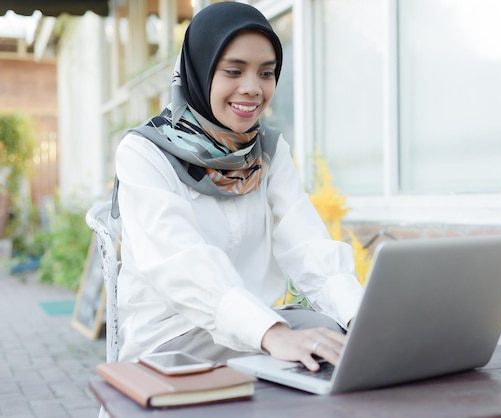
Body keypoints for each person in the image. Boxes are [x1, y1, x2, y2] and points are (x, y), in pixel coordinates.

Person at [113, 2, 364, 372]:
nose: (252, 89)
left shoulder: (268, 151)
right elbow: (182, 264)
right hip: (174, 342)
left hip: (263, 329)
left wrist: (359, 317)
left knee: (339, 342)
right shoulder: (145, 153)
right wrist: (270, 333)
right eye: (233, 71)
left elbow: (307, 242)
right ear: (199, 70)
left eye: (267, 73)